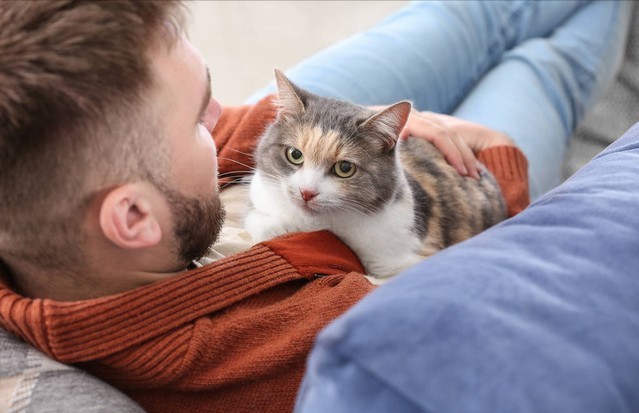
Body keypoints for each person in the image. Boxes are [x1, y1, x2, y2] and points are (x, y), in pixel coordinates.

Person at [0, 1, 632, 413]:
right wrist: (498, 168)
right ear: (133, 218)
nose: (223, 120)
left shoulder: (48, 218)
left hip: (310, 143)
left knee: (469, 17)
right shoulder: (277, 348)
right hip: (428, 192)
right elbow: (486, 268)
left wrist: (315, 128)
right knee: (541, 67)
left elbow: (222, 137)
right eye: (198, 117)